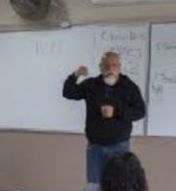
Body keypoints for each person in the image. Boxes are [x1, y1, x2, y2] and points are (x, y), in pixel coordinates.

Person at [62, 51, 147, 184]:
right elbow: (68, 92)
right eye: (106, 66)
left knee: (118, 186)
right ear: (100, 67)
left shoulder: (129, 87)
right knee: (94, 186)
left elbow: (140, 111)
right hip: (95, 145)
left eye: (114, 65)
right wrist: (76, 75)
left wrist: (117, 112)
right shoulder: (91, 84)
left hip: (119, 145)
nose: (110, 69)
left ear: (119, 67)